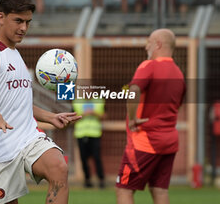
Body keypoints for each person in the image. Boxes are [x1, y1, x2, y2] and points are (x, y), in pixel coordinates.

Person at [0, 0, 81, 204]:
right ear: (0, 17)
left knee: (59, 168)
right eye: (18, 21)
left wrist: (50, 117)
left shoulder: (16, 53)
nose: (23, 28)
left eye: (28, 22)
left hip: (28, 137)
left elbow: (18, 103)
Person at [115, 29, 185, 204]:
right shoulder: (179, 73)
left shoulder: (149, 66)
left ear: (158, 44)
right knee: (159, 190)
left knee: (124, 189)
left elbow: (134, 90)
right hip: (169, 141)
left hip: (145, 140)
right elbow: (178, 105)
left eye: (149, 42)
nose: (146, 46)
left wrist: (132, 119)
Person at [72, 98, 105, 188]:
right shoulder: (76, 102)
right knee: (83, 159)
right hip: (81, 134)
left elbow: (104, 115)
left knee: (97, 158)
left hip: (95, 134)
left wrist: (94, 113)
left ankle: (101, 180)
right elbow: (71, 119)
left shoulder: (99, 101)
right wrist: (83, 115)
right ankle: (87, 180)